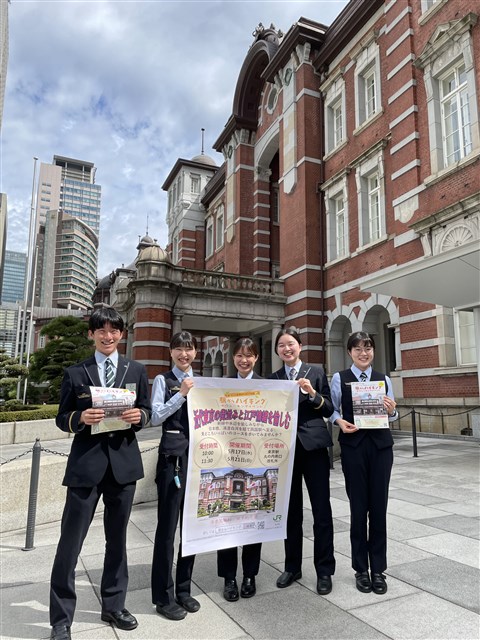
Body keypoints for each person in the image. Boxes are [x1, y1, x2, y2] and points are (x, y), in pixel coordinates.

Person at [49, 307, 151, 640]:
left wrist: (140, 416)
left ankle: (114, 605)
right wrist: (80, 419)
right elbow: (61, 417)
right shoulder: (76, 372)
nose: (108, 336)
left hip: (123, 467)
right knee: (70, 543)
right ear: (91, 334)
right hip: (86, 467)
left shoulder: (136, 370)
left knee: (117, 540)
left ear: (122, 334)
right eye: (101, 331)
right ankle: (61, 619)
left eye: (115, 331)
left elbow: (147, 411)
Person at [330, 331, 397, 595]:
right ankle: (361, 569)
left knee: (378, 509)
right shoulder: (340, 378)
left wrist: (392, 410)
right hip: (354, 447)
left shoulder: (384, 379)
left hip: (381, 448)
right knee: (358, 510)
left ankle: (378, 569)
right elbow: (333, 409)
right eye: (357, 349)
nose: (363, 353)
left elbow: (394, 413)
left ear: (373, 351)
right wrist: (338, 422)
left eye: (367, 348)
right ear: (349, 353)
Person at [270, 327, 336, 596]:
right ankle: (292, 566)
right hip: (284, 450)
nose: (287, 349)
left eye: (291, 344)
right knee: (290, 512)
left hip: (314, 447)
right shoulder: (272, 379)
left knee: (321, 510)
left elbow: (330, 409)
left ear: (300, 346)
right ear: (277, 351)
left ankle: (324, 571)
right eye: (282, 345)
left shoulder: (316, 372)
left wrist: (312, 394)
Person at [150, 331, 200, 621]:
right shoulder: (163, 380)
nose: (184, 354)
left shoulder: (203, 383)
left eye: (189, 349)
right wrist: (181, 395)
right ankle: (163, 595)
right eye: (179, 349)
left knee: (191, 529)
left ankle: (183, 589)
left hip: (200, 459)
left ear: (195, 353)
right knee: (167, 530)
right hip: (173, 461)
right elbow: (156, 416)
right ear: (171, 353)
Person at [218, 337, 263, 602]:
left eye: (249, 355)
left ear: (256, 358)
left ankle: (250, 575)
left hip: (255, 461)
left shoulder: (265, 387)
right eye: (239, 355)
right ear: (232, 358)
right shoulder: (222, 386)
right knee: (225, 519)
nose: (244, 360)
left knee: (252, 521)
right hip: (227, 460)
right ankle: (228, 578)